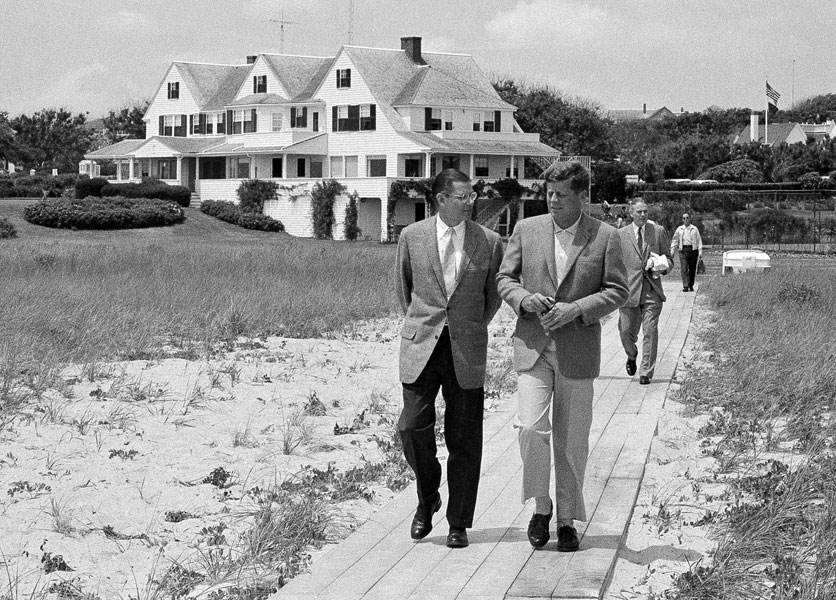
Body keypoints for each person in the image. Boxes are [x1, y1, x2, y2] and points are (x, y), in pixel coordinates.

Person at [496, 161, 628, 552]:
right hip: (533, 346)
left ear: (581, 196)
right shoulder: (526, 229)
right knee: (531, 429)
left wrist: (578, 308)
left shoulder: (605, 236)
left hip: (578, 349)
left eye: (561, 194)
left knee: (572, 440)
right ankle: (541, 506)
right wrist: (524, 299)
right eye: (548, 193)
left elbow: (618, 289)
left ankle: (567, 519)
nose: (552, 200)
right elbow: (506, 278)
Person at [394, 168, 504, 549]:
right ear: (442, 199)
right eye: (464, 197)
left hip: (466, 348)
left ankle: (458, 521)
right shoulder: (412, 237)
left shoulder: (489, 241)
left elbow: (493, 297)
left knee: (465, 439)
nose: (471, 201)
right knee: (410, 427)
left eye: (472, 195)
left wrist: (468, 327)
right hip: (421, 345)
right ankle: (428, 497)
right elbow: (404, 291)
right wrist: (427, 324)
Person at [617, 199, 673, 385]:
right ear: (631, 213)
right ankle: (631, 355)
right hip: (629, 292)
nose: (643, 215)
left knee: (650, 331)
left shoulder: (657, 232)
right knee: (626, 332)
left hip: (651, 290)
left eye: (646, 212)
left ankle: (646, 372)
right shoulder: (620, 235)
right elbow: (614, 265)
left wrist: (661, 267)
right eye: (639, 212)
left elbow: (669, 259)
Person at [670, 213, 703, 291]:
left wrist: (700, 251)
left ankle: (691, 285)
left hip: (693, 250)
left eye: (687, 218)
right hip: (683, 250)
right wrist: (672, 250)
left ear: (689, 219)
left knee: (692, 268)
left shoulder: (694, 229)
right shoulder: (679, 229)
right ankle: (685, 286)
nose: (686, 219)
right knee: (684, 268)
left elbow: (699, 240)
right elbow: (675, 240)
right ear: (682, 219)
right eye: (684, 218)